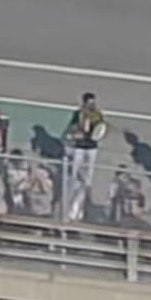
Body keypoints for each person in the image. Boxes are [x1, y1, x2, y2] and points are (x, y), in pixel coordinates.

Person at [62, 92, 105, 222]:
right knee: (75, 169)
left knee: (89, 172)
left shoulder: (97, 114)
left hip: (91, 146)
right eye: (90, 102)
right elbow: (73, 127)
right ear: (84, 102)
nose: (92, 104)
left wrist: (93, 135)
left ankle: (87, 190)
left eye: (93, 102)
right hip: (80, 146)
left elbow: (100, 129)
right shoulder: (78, 114)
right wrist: (74, 134)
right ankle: (73, 186)